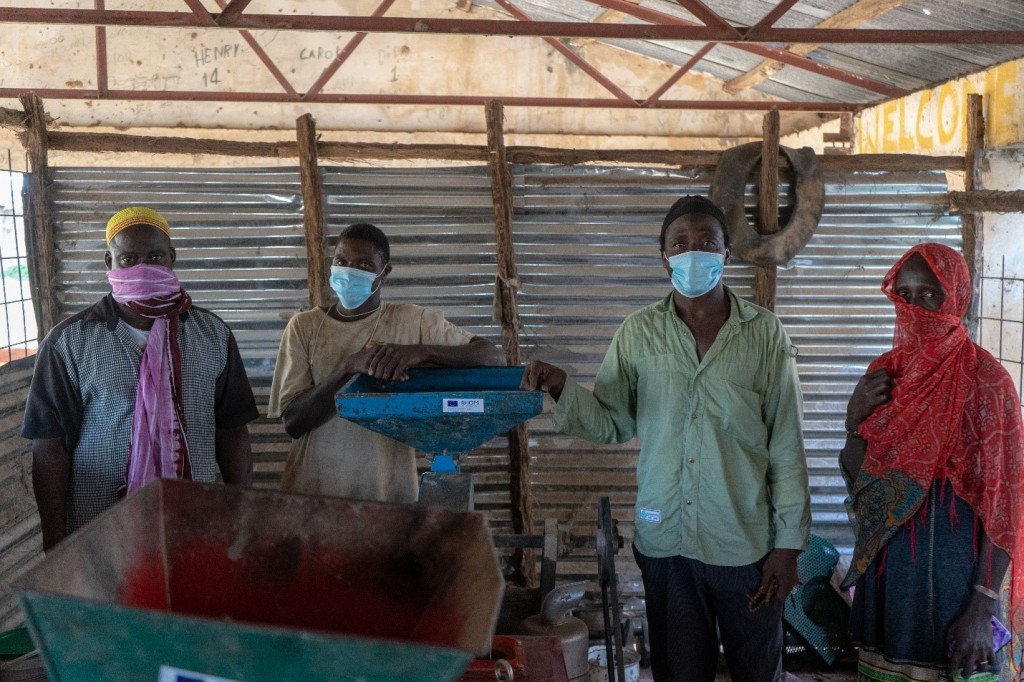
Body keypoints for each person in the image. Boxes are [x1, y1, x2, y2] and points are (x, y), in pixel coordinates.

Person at [521, 195, 811, 682]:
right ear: (663, 257)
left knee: (759, 670)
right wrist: (560, 386)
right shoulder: (637, 334)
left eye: (706, 243)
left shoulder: (765, 335)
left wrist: (788, 547)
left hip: (745, 546)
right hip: (667, 545)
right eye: (680, 243)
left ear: (727, 254)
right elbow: (612, 421)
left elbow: (786, 445)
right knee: (679, 672)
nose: (692, 252)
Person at [22, 206, 259, 551]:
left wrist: (244, 515)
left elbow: (232, 430)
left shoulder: (212, 334)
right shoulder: (69, 342)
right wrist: (56, 544)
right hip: (101, 526)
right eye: (128, 258)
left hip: (194, 521)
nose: (142, 267)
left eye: (155, 256)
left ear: (172, 258)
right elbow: (48, 449)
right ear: (109, 262)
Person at [839, 243, 1023, 682]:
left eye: (929, 294)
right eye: (905, 294)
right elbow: (861, 485)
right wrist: (852, 420)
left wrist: (982, 605)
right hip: (889, 581)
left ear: (957, 297)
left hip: (955, 586)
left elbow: (1004, 506)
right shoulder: (884, 373)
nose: (915, 306)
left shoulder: (987, 382)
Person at [267, 222, 504, 503]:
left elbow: (492, 356)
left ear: (384, 272)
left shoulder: (412, 321)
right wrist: (348, 368)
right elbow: (293, 422)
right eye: (342, 261)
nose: (350, 271)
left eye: (364, 264)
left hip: (388, 495)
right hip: (313, 494)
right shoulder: (304, 326)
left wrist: (420, 353)